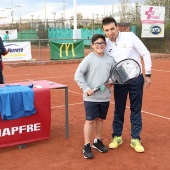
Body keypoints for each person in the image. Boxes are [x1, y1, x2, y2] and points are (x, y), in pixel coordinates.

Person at [102, 17, 152, 153]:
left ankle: (135, 138)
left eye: (112, 28)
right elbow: (107, 65)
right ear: (104, 31)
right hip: (120, 81)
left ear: (117, 27)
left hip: (136, 79)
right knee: (119, 109)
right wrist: (109, 80)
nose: (110, 32)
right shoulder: (105, 44)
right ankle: (117, 136)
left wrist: (148, 74)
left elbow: (145, 53)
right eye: (107, 30)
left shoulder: (130, 36)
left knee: (135, 109)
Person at [74, 34, 115, 159]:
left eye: (102, 43)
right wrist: (86, 88)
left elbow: (115, 75)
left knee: (100, 120)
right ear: (92, 45)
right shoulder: (89, 59)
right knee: (90, 120)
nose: (100, 45)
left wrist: (112, 81)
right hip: (91, 98)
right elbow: (78, 75)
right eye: (97, 43)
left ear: (105, 45)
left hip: (105, 97)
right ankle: (87, 144)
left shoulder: (110, 59)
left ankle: (97, 141)